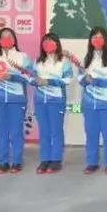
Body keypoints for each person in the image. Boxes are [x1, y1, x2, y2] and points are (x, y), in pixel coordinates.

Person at [79, 26, 107, 175]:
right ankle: (92, 163)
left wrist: (96, 80)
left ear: (105, 39)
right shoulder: (87, 57)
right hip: (90, 103)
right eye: (94, 37)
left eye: (100, 37)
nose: (97, 40)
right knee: (91, 134)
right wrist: (85, 79)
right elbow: (80, 77)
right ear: (90, 40)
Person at [0, 28, 33, 174]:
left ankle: (16, 161)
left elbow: (30, 77)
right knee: (1, 131)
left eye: (9, 36)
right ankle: (3, 162)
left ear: (14, 39)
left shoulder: (23, 57)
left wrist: (12, 77)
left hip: (17, 99)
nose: (6, 39)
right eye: (3, 37)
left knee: (16, 132)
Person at [32, 33, 74, 174]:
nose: (48, 44)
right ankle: (45, 159)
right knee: (44, 131)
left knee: (56, 131)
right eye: (45, 42)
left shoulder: (64, 62)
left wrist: (49, 81)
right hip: (40, 101)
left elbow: (68, 79)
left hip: (56, 100)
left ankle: (56, 160)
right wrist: (35, 81)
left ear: (57, 44)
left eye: (51, 41)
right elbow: (30, 78)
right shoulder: (38, 62)